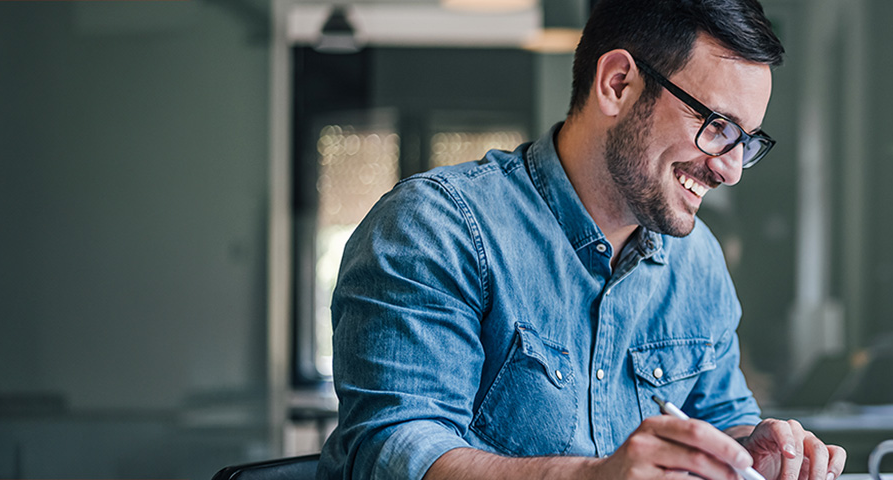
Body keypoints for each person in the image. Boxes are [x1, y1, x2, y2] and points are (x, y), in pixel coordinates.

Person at [319, 0, 845, 479]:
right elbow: (393, 452)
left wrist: (753, 450)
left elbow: (721, 417)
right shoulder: (434, 227)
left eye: (746, 141)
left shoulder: (697, 258)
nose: (731, 171)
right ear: (617, 84)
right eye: (717, 125)